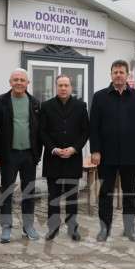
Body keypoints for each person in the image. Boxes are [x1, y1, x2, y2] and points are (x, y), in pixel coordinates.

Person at [90, 60, 135, 242]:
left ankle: (129, 229)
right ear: (111, 75)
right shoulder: (100, 97)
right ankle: (105, 229)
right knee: (105, 193)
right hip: (106, 155)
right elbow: (94, 127)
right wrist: (95, 150)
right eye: (115, 72)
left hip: (131, 154)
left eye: (121, 72)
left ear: (127, 75)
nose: (118, 75)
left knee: (130, 193)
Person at [0, 68, 43, 243]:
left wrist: (37, 154)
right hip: (9, 154)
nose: (19, 83)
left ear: (28, 83)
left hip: (29, 155)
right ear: (10, 82)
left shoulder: (35, 103)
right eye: (16, 80)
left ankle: (28, 226)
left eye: (22, 80)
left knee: (29, 192)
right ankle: (6, 227)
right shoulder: (1, 101)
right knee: (7, 191)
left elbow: (39, 131)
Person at [39, 74, 89, 241]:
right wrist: (53, 149)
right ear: (56, 87)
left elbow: (85, 131)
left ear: (71, 87)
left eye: (66, 85)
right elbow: (42, 131)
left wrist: (74, 149)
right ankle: (53, 227)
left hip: (72, 158)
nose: (63, 88)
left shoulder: (80, 106)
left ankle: (72, 227)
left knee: (72, 197)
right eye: (60, 85)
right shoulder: (46, 106)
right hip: (53, 158)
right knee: (53, 196)